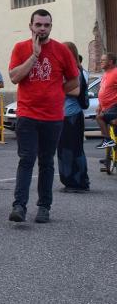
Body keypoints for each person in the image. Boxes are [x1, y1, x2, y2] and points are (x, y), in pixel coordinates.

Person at [7, 9, 78, 224]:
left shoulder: (61, 51)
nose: (42, 29)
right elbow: (14, 77)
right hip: (27, 115)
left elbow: (74, 81)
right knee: (26, 159)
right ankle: (19, 206)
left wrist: (57, 91)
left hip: (53, 117)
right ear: (31, 26)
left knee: (46, 162)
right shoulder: (20, 48)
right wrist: (35, 55)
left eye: (46, 25)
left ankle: (44, 207)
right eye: (38, 25)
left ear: (51, 27)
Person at [56, 43, 90, 193]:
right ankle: (73, 181)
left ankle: (78, 182)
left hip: (71, 115)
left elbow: (76, 91)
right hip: (67, 114)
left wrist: (57, 86)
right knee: (68, 150)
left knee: (72, 150)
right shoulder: (72, 69)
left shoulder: (75, 69)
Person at [95, 53, 117, 149]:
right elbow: (103, 91)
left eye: (103, 60)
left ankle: (107, 140)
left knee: (100, 118)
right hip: (106, 107)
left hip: (114, 106)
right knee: (109, 129)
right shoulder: (106, 74)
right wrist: (99, 106)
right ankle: (109, 158)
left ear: (110, 62)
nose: (101, 62)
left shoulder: (115, 72)